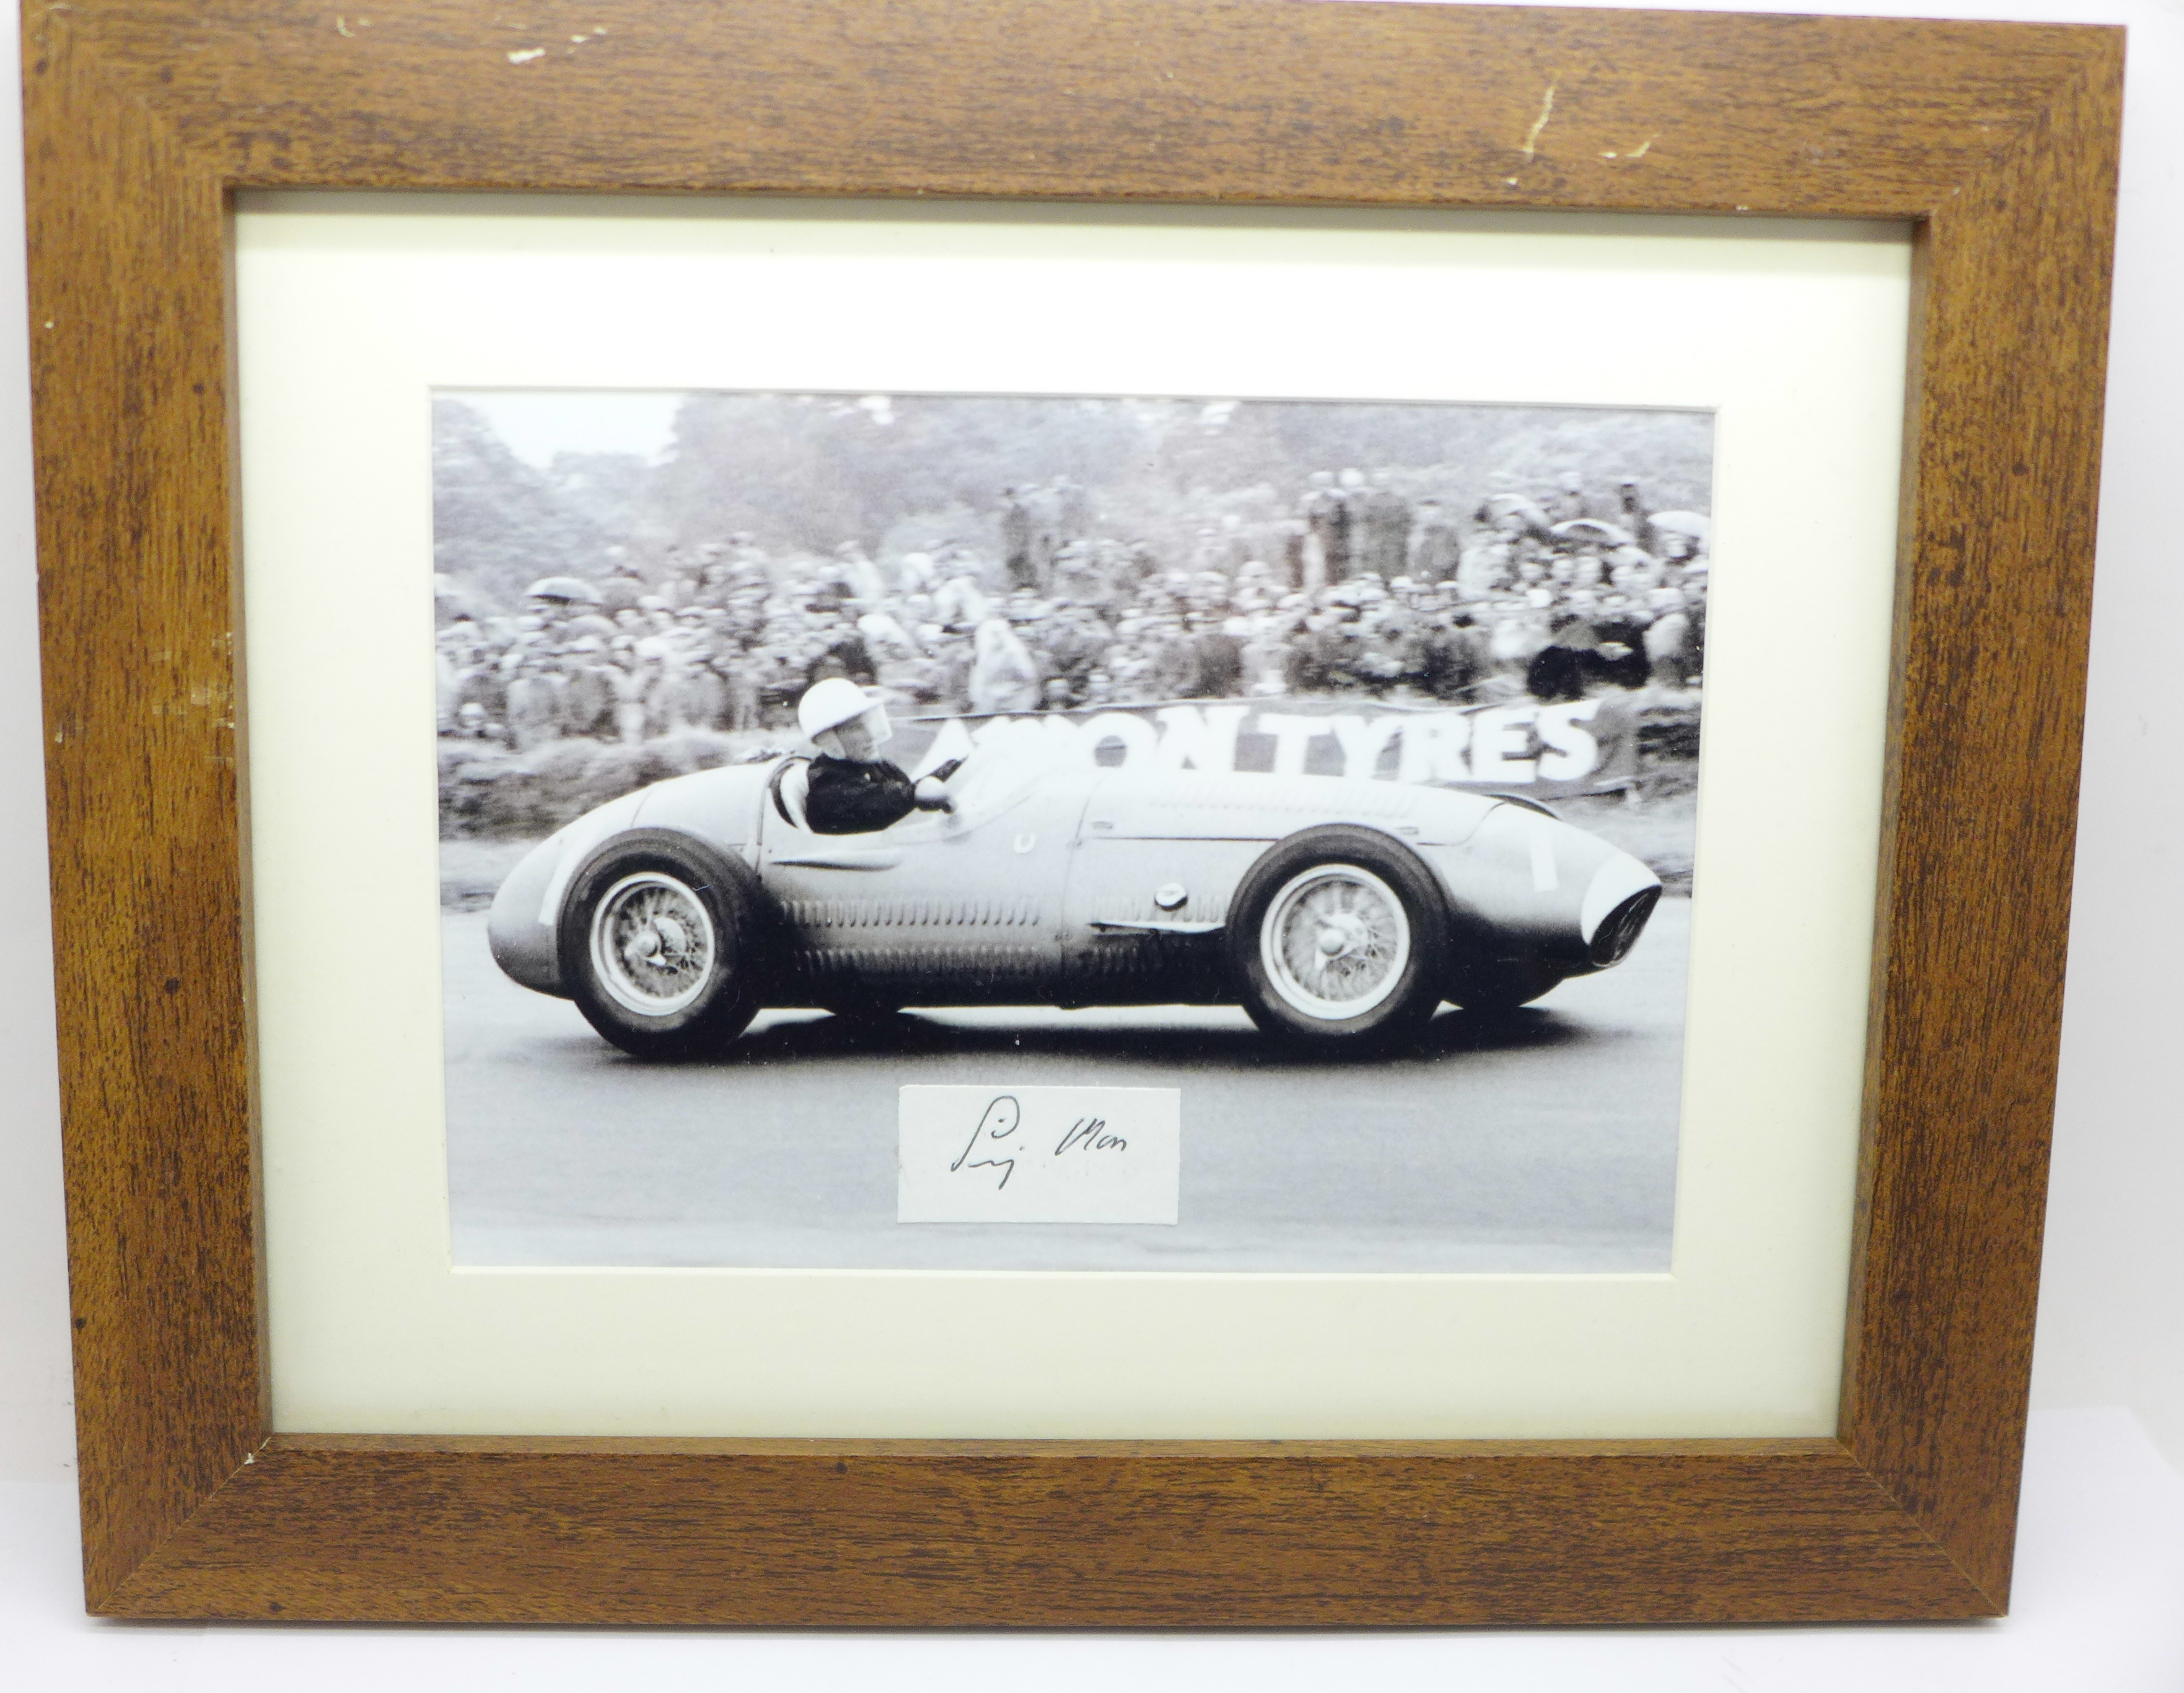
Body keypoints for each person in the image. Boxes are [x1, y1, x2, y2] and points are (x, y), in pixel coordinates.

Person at [794, 677, 957, 836]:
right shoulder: (826, 786)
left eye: (867, 723)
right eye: (855, 728)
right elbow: (876, 800)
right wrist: (914, 794)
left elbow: (907, 789)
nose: (870, 735)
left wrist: (951, 767)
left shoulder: (870, 765)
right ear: (828, 739)